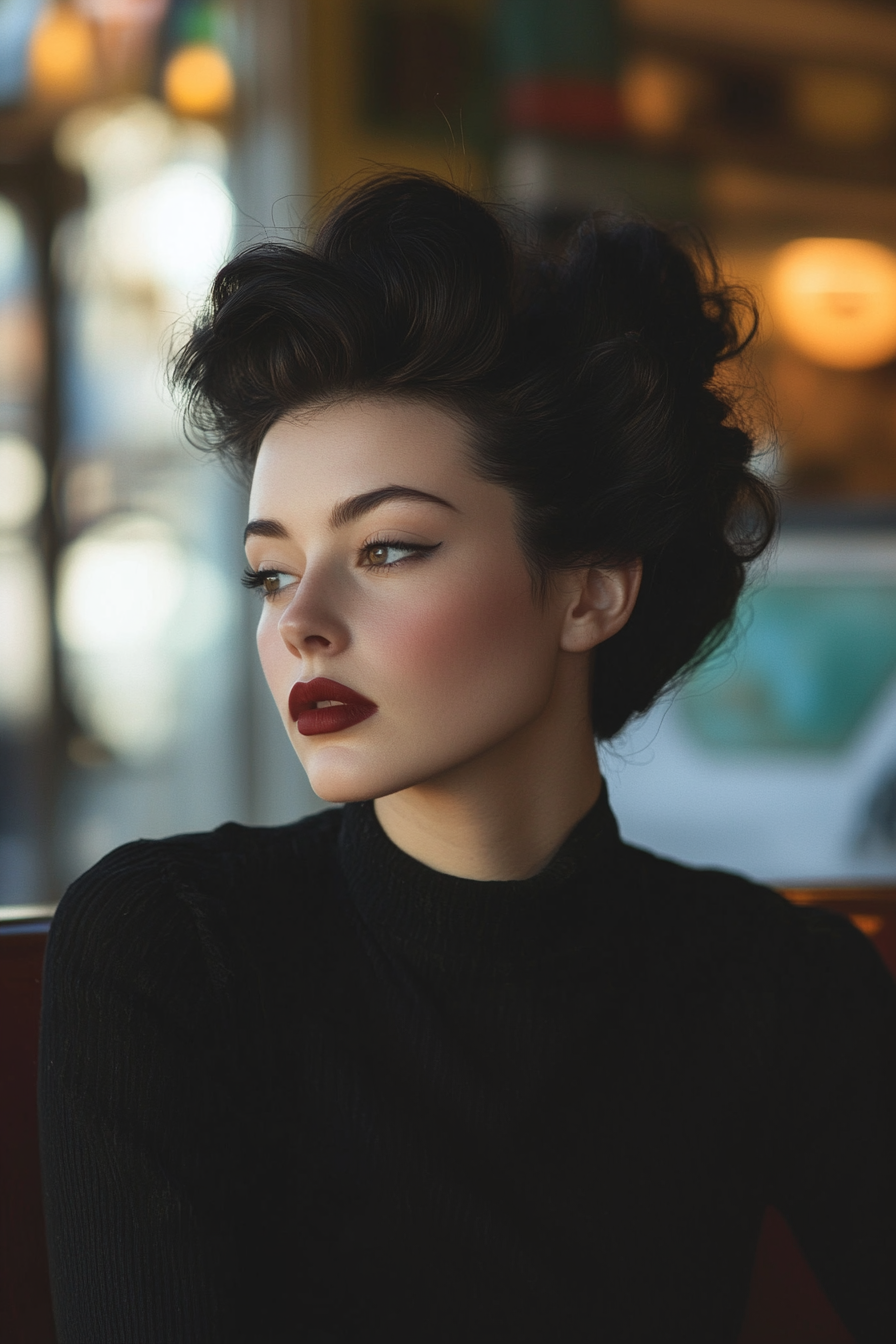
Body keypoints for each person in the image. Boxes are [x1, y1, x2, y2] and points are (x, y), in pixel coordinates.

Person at [38, 173, 896, 1343]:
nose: (300, 623)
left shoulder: (782, 988)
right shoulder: (171, 943)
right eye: (271, 571)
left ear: (588, 591)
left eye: (387, 548)